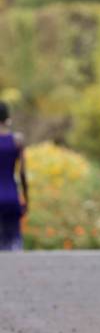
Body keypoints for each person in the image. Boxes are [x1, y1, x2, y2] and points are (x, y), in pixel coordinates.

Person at [0, 101, 28, 250]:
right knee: (13, 243)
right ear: (7, 118)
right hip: (11, 195)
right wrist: (26, 198)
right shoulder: (17, 140)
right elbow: (22, 172)